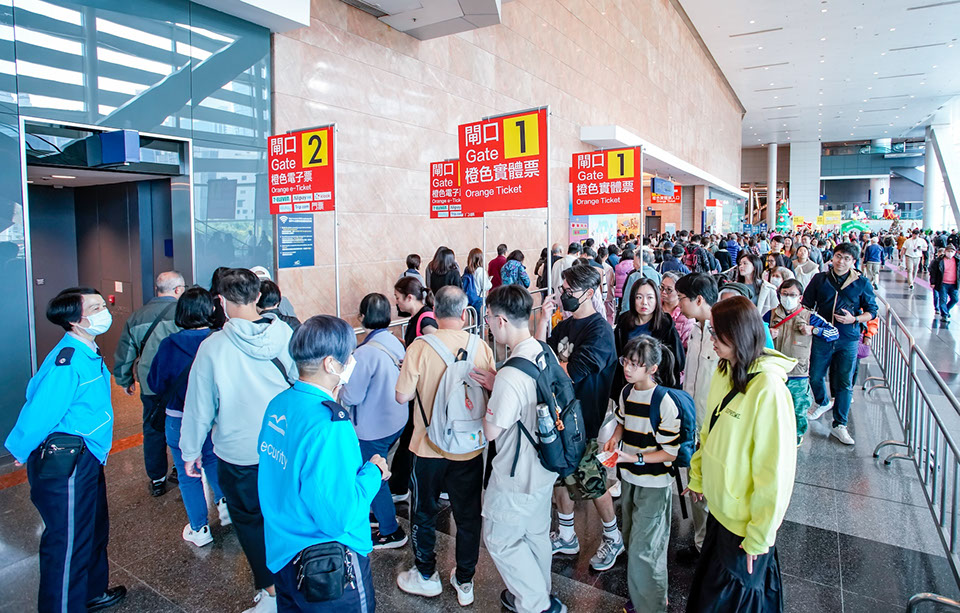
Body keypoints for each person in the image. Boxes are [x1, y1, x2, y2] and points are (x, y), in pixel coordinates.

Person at [181, 268, 298, 613]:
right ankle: (295, 583)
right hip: (285, 448)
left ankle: (271, 594)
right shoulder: (285, 334)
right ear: (259, 296)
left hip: (239, 454)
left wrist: (190, 450)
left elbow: (199, 407)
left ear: (221, 300)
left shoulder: (213, 347)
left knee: (249, 522)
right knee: (286, 517)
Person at [4, 287, 127, 613]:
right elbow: (41, 409)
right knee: (68, 542)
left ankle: (91, 592)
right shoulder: (68, 361)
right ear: (75, 320)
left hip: (88, 455)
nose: (105, 311)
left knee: (93, 530)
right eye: (96, 308)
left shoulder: (87, 350)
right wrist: (21, 447)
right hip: (68, 461)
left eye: (102, 305)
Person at [258, 315, 390, 612]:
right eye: (349, 356)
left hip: (282, 553)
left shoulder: (279, 403)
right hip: (327, 566)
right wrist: (374, 472)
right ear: (331, 364)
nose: (352, 361)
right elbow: (338, 517)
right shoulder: (329, 424)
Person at [683, 296, 798, 613]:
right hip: (720, 514)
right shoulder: (725, 369)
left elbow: (774, 473)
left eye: (717, 333)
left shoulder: (769, 390)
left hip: (744, 527)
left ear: (739, 335)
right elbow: (709, 431)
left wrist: (759, 537)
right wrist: (698, 476)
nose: (711, 339)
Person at [394, 286, 496, 605]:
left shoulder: (420, 347)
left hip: (428, 448)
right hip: (469, 448)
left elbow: (402, 396)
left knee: (424, 512)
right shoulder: (480, 346)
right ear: (465, 314)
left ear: (434, 312)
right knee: (468, 516)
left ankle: (426, 575)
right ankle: (465, 581)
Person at [474, 285, 567, 613]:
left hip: (517, 473)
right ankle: (542, 594)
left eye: (488, 317)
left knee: (500, 538)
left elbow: (491, 430)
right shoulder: (543, 350)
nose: (487, 323)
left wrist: (488, 395)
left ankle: (535, 603)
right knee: (535, 533)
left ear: (501, 321)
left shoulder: (511, 374)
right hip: (545, 463)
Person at [536, 265, 622, 572]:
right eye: (562, 290)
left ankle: (613, 536)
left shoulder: (600, 332)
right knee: (561, 474)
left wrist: (552, 366)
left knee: (592, 479)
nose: (563, 295)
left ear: (588, 293)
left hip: (585, 419)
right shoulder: (564, 325)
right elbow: (539, 355)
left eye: (569, 291)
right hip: (561, 416)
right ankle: (567, 534)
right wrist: (543, 320)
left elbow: (568, 373)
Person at [148, 287, 231, 547]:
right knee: (213, 459)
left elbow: (155, 383)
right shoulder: (219, 340)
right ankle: (224, 503)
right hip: (215, 417)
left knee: (188, 472)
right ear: (211, 310)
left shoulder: (169, 345)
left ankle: (200, 529)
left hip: (179, 417)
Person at [603, 335, 680, 613]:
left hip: (654, 484)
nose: (628, 368)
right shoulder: (626, 392)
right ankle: (644, 599)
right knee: (633, 540)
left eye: (636, 364)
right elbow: (622, 422)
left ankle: (653, 606)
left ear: (652, 368)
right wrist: (614, 438)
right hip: (630, 478)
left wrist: (634, 457)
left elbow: (670, 453)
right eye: (626, 361)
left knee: (645, 549)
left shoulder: (664, 401)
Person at [340, 293, 409, 549]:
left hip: (374, 426)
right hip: (397, 418)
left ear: (361, 316)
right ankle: (377, 511)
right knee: (380, 463)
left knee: (374, 472)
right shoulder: (394, 341)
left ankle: (391, 531)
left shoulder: (364, 353)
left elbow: (352, 396)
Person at [113, 271, 184, 496]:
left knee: (153, 428)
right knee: (182, 425)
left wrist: (124, 379)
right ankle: (180, 468)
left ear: (157, 289)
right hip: (180, 383)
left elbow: (126, 352)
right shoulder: (184, 313)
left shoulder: (137, 316)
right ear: (178, 290)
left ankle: (157, 478)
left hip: (150, 383)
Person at [803, 243, 878, 446]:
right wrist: (811, 323)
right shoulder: (820, 279)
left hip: (848, 338)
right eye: (838, 256)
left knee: (844, 382)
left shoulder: (861, 283)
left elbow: (872, 311)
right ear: (832, 257)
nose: (841, 261)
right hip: (823, 337)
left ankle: (840, 424)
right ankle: (822, 401)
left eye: (846, 258)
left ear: (853, 261)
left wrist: (854, 319)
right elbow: (806, 304)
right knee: (815, 375)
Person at [674, 273, 719, 564]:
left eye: (681, 298)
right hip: (693, 422)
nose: (678, 304)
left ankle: (712, 548)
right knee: (696, 485)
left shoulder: (722, 334)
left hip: (713, 426)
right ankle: (702, 542)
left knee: (712, 489)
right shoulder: (695, 330)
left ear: (699, 299)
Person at [763, 279, 839, 446]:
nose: (788, 298)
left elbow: (834, 333)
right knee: (772, 407)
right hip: (774, 371)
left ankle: (796, 437)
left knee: (798, 408)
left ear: (800, 297)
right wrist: (766, 334)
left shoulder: (809, 316)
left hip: (798, 373)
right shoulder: (770, 315)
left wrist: (814, 330)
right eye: (784, 294)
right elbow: (755, 334)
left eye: (792, 295)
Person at [389, 276, 437, 502]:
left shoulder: (425, 319)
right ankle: (401, 484)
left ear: (410, 297)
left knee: (410, 436)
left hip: (422, 390)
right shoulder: (417, 318)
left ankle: (400, 485)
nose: (396, 302)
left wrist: (413, 362)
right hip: (418, 388)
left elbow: (436, 349)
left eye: (398, 298)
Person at [613, 278, 685, 391]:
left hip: (658, 386)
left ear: (657, 299)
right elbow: (616, 355)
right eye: (639, 297)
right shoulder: (624, 322)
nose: (644, 302)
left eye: (650, 297)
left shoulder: (666, 325)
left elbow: (678, 361)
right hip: (627, 384)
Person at [661, 271, 694, 350]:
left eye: (669, 290)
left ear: (679, 292)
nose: (663, 292)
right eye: (662, 287)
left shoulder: (686, 316)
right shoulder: (654, 307)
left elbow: (687, 347)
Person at [930, 244, 960, 323]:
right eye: (948, 251)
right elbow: (933, 272)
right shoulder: (939, 261)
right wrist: (933, 282)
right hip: (943, 283)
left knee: (955, 299)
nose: (950, 253)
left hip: (954, 284)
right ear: (945, 251)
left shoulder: (957, 261)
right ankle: (945, 315)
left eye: (952, 251)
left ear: (955, 252)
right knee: (943, 299)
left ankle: (946, 309)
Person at [462, 247, 488, 316]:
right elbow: (486, 286)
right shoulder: (481, 271)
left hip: (470, 299)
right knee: (481, 320)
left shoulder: (467, 270)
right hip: (480, 299)